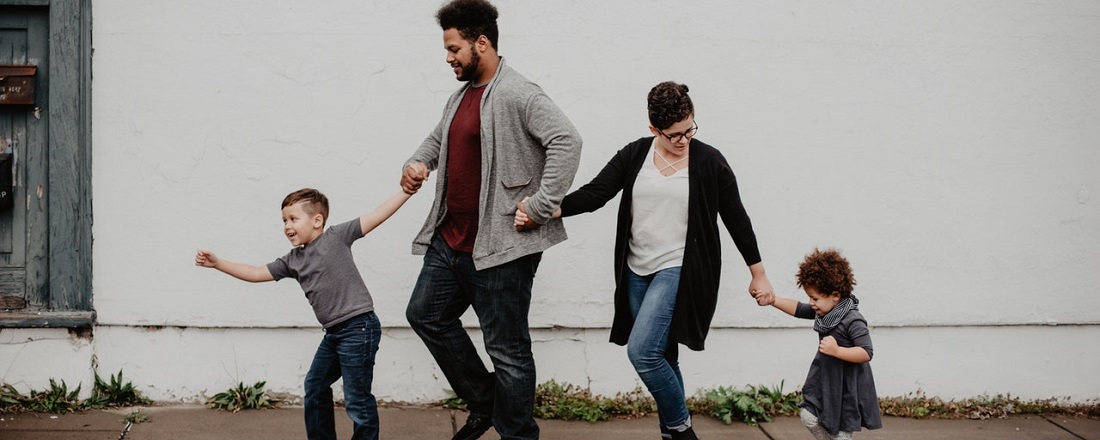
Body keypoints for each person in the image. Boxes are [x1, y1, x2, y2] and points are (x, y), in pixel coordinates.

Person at [516, 81, 775, 440]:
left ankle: (682, 431)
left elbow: (737, 218)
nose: (683, 140)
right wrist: (546, 212)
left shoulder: (710, 162)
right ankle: (671, 434)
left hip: (679, 267)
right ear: (653, 129)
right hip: (636, 270)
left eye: (689, 130)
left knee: (643, 353)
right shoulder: (635, 155)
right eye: (673, 135)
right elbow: (595, 193)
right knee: (663, 355)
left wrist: (758, 274)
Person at [400, 1, 582, 439]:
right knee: (425, 315)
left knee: (508, 352)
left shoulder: (520, 93)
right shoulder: (461, 95)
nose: (448, 58)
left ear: (481, 43)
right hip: (452, 240)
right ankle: (487, 403)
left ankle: (516, 433)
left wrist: (539, 206)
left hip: (501, 246)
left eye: (454, 48)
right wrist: (418, 162)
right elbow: (439, 137)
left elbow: (567, 141)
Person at [195, 188, 412, 440]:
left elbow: (377, 215)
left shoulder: (337, 236)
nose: (287, 226)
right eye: (284, 220)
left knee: (356, 399)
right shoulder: (292, 260)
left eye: (293, 219)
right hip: (333, 334)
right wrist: (218, 263)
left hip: (358, 327)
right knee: (315, 387)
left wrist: (406, 192)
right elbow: (255, 273)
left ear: (317, 220)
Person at [762, 248, 882, 439]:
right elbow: (799, 309)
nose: (811, 303)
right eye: (809, 297)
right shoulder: (825, 311)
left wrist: (837, 351)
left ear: (835, 295)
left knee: (841, 434)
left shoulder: (853, 319)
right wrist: (773, 300)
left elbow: (866, 352)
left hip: (846, 387)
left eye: (815, 298)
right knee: (808, 416)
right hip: (826, 380)